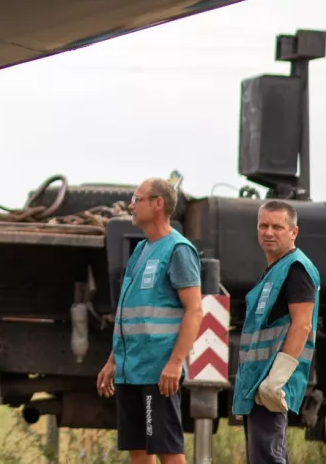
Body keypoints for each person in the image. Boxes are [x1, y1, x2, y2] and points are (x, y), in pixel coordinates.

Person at [97, 178, 203, 464]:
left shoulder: (179, 250)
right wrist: (113, 361)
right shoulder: (140, 251)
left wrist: (175, 362)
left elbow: (194, 311)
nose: (131, 205)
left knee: (168, 450)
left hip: (158, 372)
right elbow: (128, 316)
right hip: (130, 370)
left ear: (158, 204)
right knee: (138, 450)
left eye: (137, 199)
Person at [232, 199, 320, 464]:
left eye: (277, 227)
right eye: (263, 226)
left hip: (271, 382)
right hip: (259, 381)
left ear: (293, 232)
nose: (268, 232)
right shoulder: (275, 270)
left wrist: (277, 379)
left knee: (268, 458)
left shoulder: (296, 269)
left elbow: (302, 324)